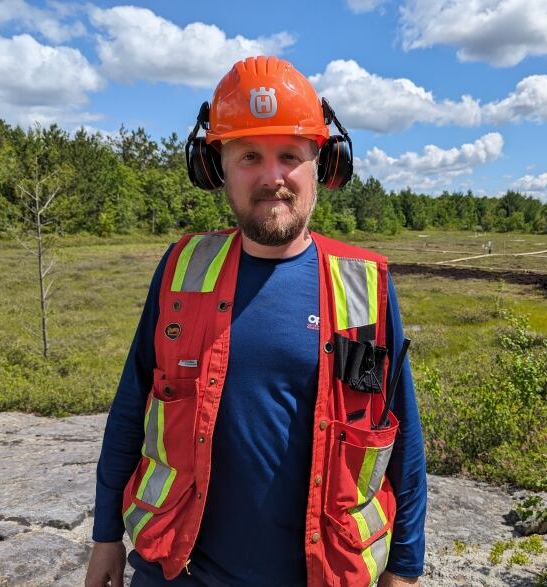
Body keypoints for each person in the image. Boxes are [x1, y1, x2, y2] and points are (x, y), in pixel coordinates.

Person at [85, 56, 427, 587]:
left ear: (323, 163)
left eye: (289, 154)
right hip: (178, 572)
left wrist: (404, 568)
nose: (272, 178)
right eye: (248, 155)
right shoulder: (182, 270)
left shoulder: (365, 285)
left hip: (323, 574)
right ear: (216, 166)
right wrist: (106, 533)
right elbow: (132, 405)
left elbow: (398, 433)